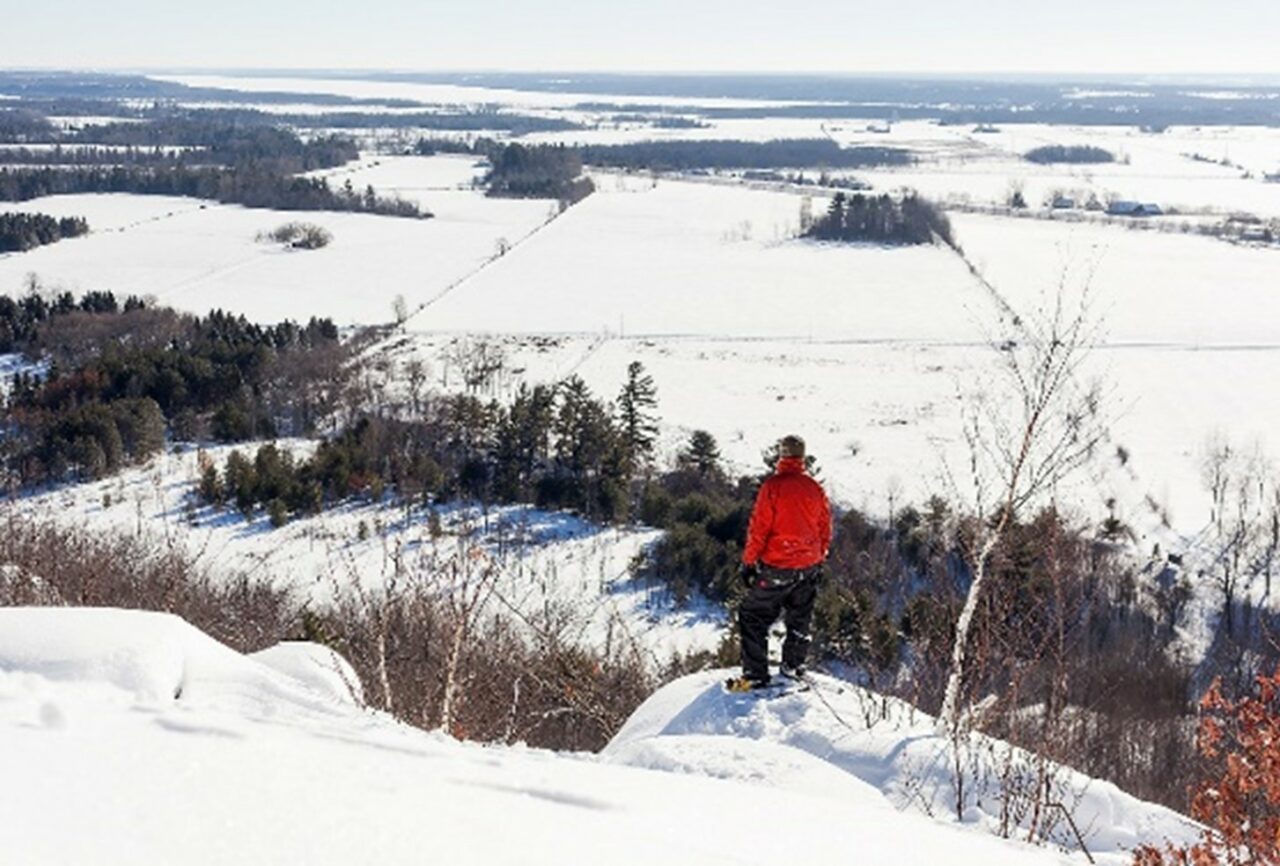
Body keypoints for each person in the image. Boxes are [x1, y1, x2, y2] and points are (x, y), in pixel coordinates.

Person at [728, 434, 832, 691]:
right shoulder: (814, 488)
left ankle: (755, 676)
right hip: (808, 565)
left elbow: (759, 528)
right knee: (800, 617)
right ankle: (793, 668)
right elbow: (825, 527)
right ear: (802, 458)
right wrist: (818, 556)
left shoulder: (772, 487)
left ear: (782, 456)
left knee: (752, 615)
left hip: (778, 565)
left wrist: (749, 562)